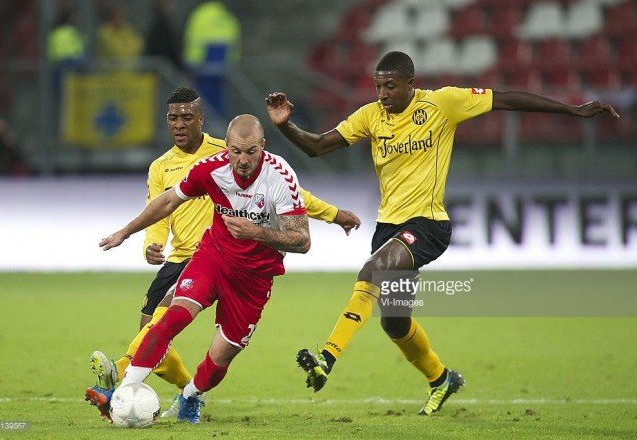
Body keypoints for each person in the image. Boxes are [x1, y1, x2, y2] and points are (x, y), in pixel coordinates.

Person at [265, 51, 620, 416]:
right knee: (394, 322)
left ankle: (326, 359)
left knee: (371, 271)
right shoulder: (370, 115)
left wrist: (572, 110)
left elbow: (505, 99)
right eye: (378, 86)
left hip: (428, 225)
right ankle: (442, 379)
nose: (383, 94)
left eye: (390, 86)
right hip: (388, 228)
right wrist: (284, 126)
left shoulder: (442, 103)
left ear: (410, 84)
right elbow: (318, 146)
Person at [84, 88, 360, 421]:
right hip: (212, 258)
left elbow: (302, 241)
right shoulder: (209, 168)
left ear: (263, 147)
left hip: (254, 278)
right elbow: (167, 201)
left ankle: (190, 395)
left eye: (251, 152)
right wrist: (126, 232)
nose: (242, 160)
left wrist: (257, 231)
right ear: (227, 147)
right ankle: (124, 391)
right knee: (171, 317)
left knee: (221, 356)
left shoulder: (280, 177)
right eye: (236, 152)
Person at [183, 1, 241, 117]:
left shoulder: (199, 15)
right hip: (222, 68)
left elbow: (193, 44)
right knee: (219, 103)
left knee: (201, 102)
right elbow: (234, 47)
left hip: (202, 69)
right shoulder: (228, 18)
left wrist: (189, 66)